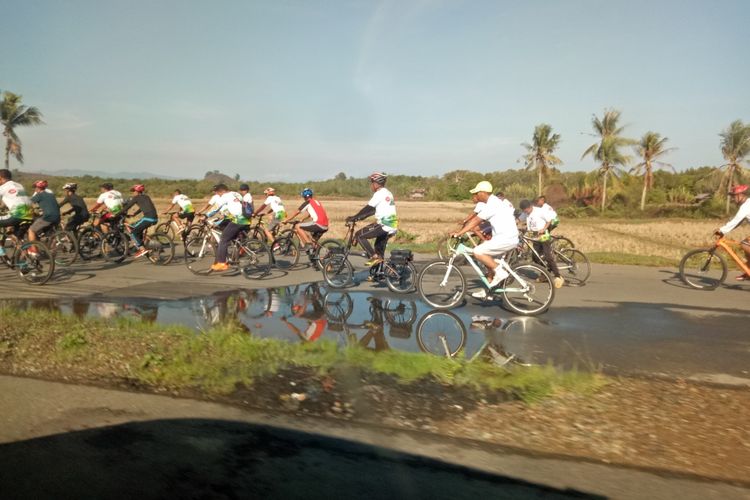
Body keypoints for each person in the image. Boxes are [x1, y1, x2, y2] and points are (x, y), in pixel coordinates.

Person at [451, 181, 518, 299]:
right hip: (504, 237)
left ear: (483, 193)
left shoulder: (492, 204)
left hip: (506, 238)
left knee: (478, 251)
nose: (475, 195)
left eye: (477, 193)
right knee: (488, 261)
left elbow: (476, 220)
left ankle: (501, 272)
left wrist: (459, 233)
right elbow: (477, 221)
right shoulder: (492, 202)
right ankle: (489, 290)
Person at [345, 172, 398, 267]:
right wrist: (360, 217)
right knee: (378, 249)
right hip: (391, 225)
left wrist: (354, 217)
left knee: (359, 235)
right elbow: (373, 210)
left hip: (385, 225)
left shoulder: (379, 194)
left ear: (376, 183)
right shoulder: (387, 192)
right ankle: (379, 273)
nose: (371, 185)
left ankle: (374, 257)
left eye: (371, 183)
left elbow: (368, 208)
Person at [519, 199, 564, 288]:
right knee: (535, 257)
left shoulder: (539, 211)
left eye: (526, 210)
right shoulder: (525, 213)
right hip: (535, 236)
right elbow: (519, 219)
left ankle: (558, 276)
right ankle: (544, 274)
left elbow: (549, 220)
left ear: (530, 207)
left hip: (543, 235)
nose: (525, 212)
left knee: (548, 256)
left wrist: (543, 229)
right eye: (524, 211)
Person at [206, 184, 250, 272]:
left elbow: (216, 208)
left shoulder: (225, 196)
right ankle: (238, 254)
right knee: (232, 238)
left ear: (221, 191)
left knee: (223, 239)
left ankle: (222, 263)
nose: (218, 195)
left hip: (238, 220)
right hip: (246, 219)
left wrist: (206, 215)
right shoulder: (236, 194)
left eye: (218, 194)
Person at [715, 184, 750, 281]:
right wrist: (725, 229)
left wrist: (721, 230)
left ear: (740, 195)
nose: (733, 199)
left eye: (734, 196)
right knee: (747, 249)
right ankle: (748, 271)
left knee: (745, 244)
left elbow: (736, 220)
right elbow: (739, 222)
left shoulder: (746, 206)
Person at [121, 184, 158, 258]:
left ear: (137, 191)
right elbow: (142, 207)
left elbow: (127, 207)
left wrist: (117, 214)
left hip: (148, 218)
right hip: (155, 218)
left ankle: (142, 249)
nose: (133, 193)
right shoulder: (147, 197)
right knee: (138, 227)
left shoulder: (136, 198)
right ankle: (144, 245)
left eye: (134, 191)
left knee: (133, 231)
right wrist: (134, 214)